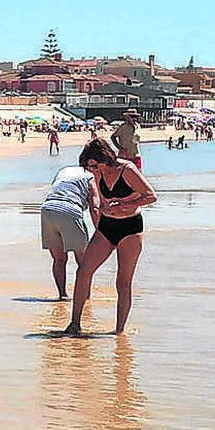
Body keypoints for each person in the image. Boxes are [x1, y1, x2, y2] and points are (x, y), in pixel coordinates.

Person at [66, 137, 157, 335]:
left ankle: (118, 332)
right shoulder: (96, 175)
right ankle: (74, 324)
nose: (92, 170)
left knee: (123, 281)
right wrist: (101, 210)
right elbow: (100, 200)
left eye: (94, 165)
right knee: (83, 271)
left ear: (105, 158)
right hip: (107, 227)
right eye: (89, 167)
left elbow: (151, 196)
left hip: (130, 228)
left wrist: (125, 205)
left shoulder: (127, 170)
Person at [40, 161, 99, 301]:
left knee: (59, 259)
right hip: (70, 210)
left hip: (47, 209)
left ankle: (62, 295)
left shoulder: (64, 171)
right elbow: (95, 205)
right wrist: (101, 231)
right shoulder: (91, 176)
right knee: (84, 262)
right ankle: (85, 297)